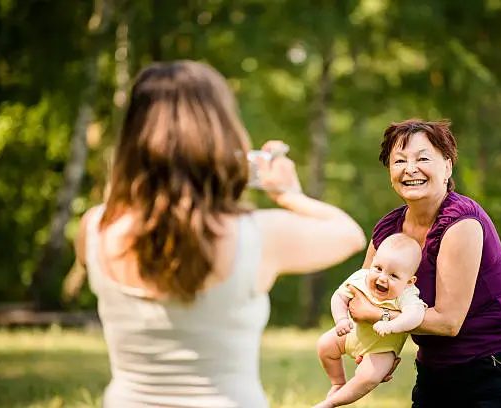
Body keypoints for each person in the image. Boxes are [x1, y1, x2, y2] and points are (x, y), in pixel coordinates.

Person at [73, 60, 367, 408]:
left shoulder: (94, 228)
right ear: (220, 135)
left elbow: (149, 218)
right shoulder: (256, 237)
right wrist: (290, 196)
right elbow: (350, 234)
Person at [347, 119, 501, 407]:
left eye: (422, 158)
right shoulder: (388, 230)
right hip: (435, 375)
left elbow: (448, 322)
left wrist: (380, 319)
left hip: (498, 372)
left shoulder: (460, 223)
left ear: (448, 166)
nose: (410, 169)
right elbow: (363, 297)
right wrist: (377, 352)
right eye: (398, 160)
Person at [312, 233, 426, 408]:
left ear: (409, 281)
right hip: (352, 333)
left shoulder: (407, 294)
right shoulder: (361, 278)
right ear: (372, 263)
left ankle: (331, 403)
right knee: (325, 345)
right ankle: (338, 383)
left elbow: (415, 316)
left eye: (393, 276)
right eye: (378, 268)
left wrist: (392, 325)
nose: (382, 278)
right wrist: (341, 319)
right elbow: (339, 296)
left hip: (381, 348)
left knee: (369, 377)